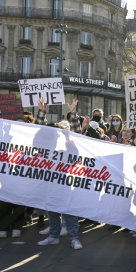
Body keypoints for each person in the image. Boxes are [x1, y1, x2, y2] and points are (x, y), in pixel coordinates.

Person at [35, 98, 83, 250]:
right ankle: (53, 236)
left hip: (66, 184)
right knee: (52, 211)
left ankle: (74, 238)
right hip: (49, 183)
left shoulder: (69, 148)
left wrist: (73, 113)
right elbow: (39, 129)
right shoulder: (45, 149)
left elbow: (78, 136)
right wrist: (42, 111)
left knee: (69, 212)